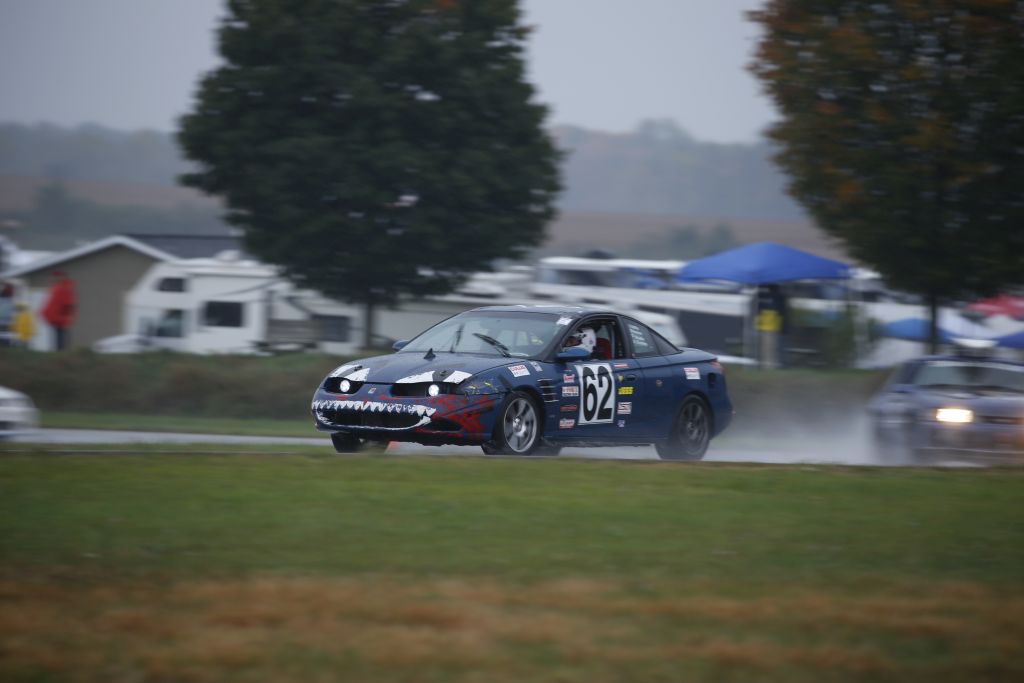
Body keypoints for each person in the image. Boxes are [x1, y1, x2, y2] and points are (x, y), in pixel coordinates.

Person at [40, 270, 76, 351]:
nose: (54, 278)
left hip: (60, 316)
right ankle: (59, 350)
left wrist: (65, 316)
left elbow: (67, 304)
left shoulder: (64, 288)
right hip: (55, 316)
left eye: (56, 276)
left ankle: (61, 351)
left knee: (60, 335)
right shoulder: (56, 288)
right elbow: (52, 302)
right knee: (57, 335)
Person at [0, 282, 13, 347]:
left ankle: (5, 343)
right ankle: (6, 343)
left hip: (4, 315)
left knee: (4, 330)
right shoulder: (9, 296)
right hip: (6, 315)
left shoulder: (5, 295)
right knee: (5, 330)